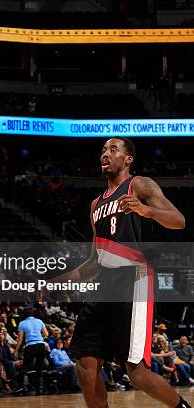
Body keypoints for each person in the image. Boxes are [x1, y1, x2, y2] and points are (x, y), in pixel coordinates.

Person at [55, 137, 190, 408]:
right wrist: (53, 282)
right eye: (103, 150)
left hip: (134, 278)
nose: (105, 154)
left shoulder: (139, 184)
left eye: (113, 149)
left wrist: (146, 210)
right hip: (104, 284)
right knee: (85, 362)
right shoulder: (95, 205)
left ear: (128, 159)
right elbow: (95, 261)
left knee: (136, 372)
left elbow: (179, 221)